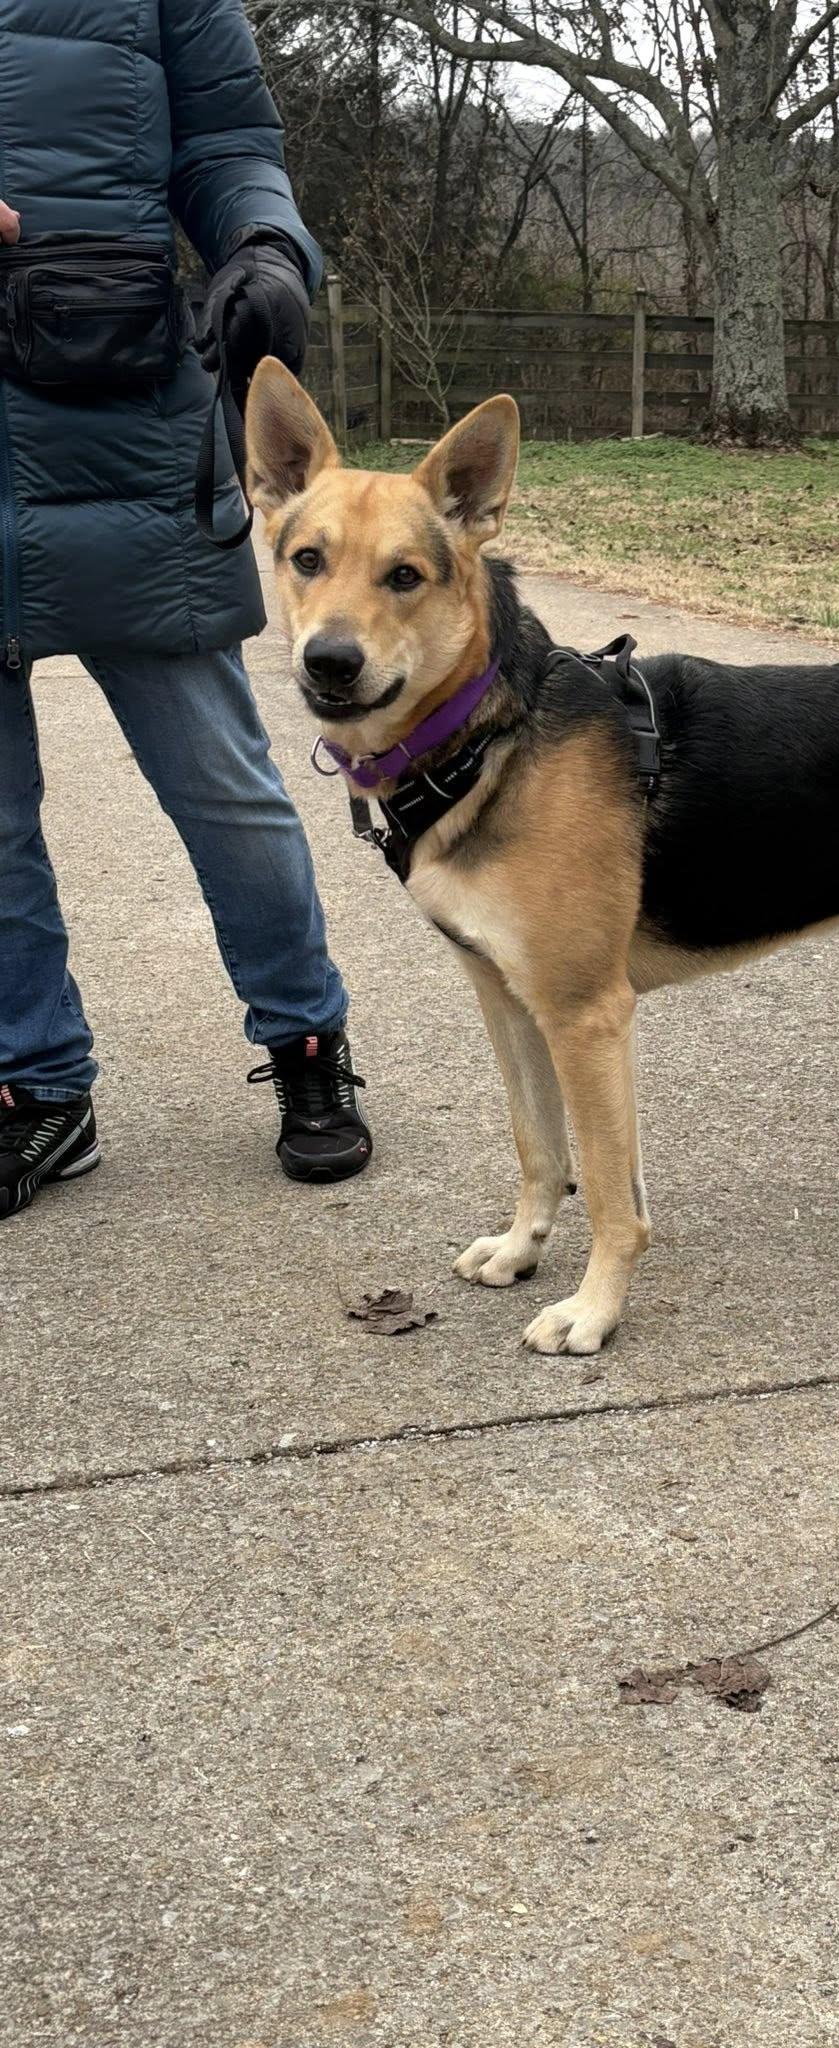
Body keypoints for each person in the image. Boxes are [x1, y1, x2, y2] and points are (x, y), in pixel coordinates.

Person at [0, 0, 373, 1221]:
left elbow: (225, 145)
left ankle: (307, 1041)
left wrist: (265, 248)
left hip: (117, 422)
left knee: (222, 783)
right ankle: (38, 1086)